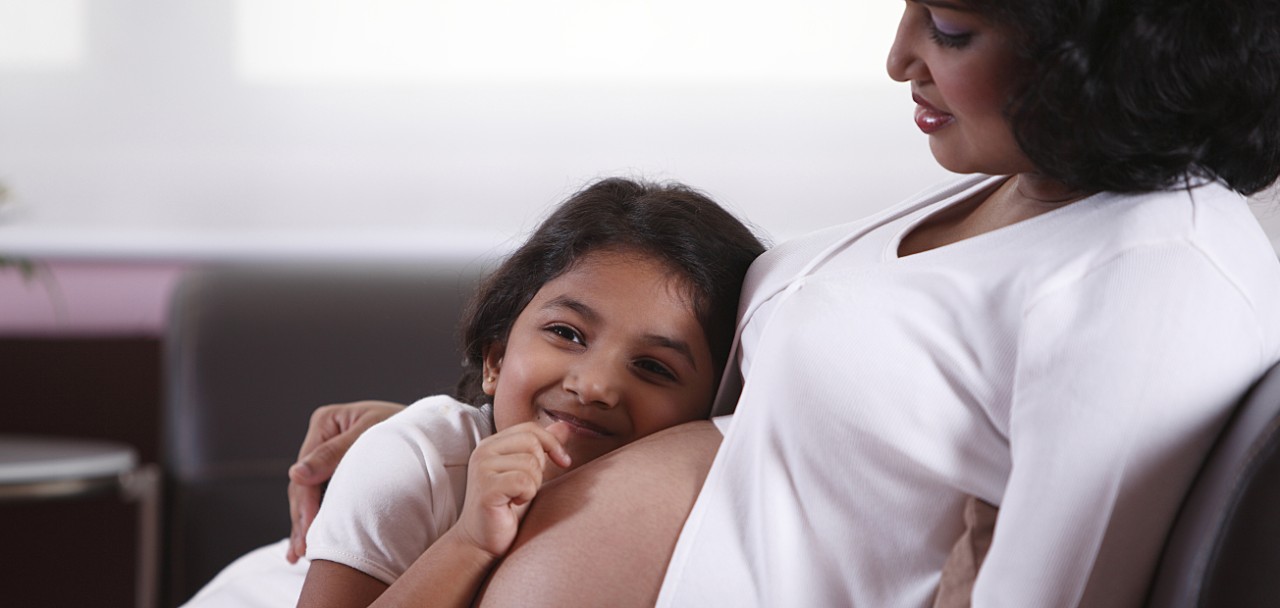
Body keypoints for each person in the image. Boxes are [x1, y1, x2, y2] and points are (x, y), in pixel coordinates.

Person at [287, 0, 1280, 605]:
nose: (898, 56)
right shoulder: (1022, 185)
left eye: (948, 27)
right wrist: (446, 432)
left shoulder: (1154, 283)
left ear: (1095, 48)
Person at [181, 177, 765, 607]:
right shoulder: (412, 461)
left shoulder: (707, 501)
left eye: (654, 367)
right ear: (494, 359)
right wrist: (467, 543)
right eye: (566, 334)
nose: (594, 385)